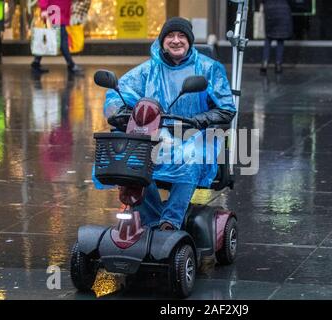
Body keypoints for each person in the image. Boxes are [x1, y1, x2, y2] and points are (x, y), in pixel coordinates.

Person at [101, 17, 236, 231]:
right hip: (156, 133)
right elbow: (118, 93)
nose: (176, 40)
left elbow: (227, 109)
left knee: (191, 155)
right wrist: (120, 112)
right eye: (170, 36)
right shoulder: (148, 69)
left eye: (181, 36)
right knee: (132, 156)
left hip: (196, 133)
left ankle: (170, 222)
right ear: (162, 41)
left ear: (190, 41)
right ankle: (153, 220)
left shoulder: (209, 68)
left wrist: (199, 119)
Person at [31, 0, 83, 75]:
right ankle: (71, 64)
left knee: (51, 38)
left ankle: (36, 62)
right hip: (54, 12)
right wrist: (44, 9)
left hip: (59, 12)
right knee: (62, 39)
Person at [259, 0, 293, 75]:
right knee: (280, 40)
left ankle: (265, 63)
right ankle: (278, 65)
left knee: (268, 38)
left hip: (270, 10)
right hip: (283, 9)